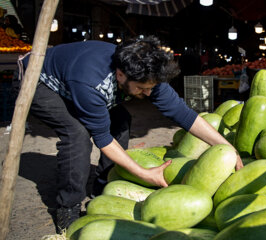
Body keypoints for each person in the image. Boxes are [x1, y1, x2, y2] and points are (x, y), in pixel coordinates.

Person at [17, 36, 243, 233]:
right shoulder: (93, 84)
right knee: (77, 134)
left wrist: (228, 148)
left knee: (121, 120)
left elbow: (184, 115)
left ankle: (103, 185)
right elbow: (103, 139)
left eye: (151, 88)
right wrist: (145, 174)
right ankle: (68, 207)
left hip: (76, 79)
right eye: (141, 88)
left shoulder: (147, 73)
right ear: (120, 74)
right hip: (39, 80)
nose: (147, 93)